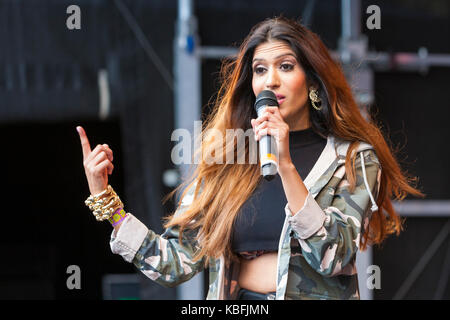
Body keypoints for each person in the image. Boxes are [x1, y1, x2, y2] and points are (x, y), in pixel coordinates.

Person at [77, 16, 423, 300]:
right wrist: (105, 198)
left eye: (286, 66)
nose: (271, 80)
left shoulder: (352, 159)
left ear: (313, 81)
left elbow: (333, 255)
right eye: (260, 70)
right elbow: (173, 263)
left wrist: (285, 165)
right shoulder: (228, 158)